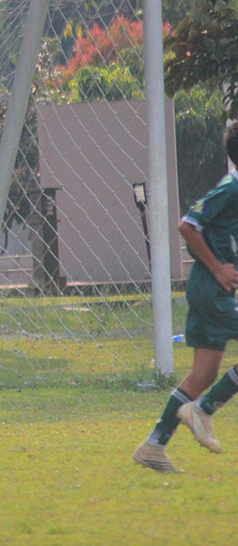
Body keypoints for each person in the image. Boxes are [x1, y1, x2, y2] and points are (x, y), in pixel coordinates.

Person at [133, 122, 238, 472]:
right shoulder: (230, 188)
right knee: (204, 386)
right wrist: (220, 268)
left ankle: (153, 447)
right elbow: (187, 226)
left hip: (214, 288)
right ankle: (202, 409)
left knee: (203, 374)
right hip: (212, 288)